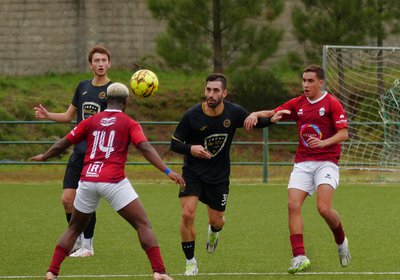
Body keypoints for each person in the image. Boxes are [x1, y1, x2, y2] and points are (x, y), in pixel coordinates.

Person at [31, 83, 184, 280]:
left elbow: (64, 143)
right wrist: (168, 171)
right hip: (113, 181)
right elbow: (145, 148)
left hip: (87, 180)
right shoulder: (129, 123)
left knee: (74, 228)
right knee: (143, 224)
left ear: (106, 101)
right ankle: (160, 272)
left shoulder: (91, 120)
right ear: (126, 102)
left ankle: (52, 271)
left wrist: (44, 156)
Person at [169, 73, 287, 276]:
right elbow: (174, 143)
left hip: (219, 176)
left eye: (216, 91)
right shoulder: (192, 115)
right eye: (208, 90)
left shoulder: (234, 112)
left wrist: (271, 120)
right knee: (187, 213)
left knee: (217, 220)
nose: (211, 94)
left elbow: (255, 123)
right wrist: (191, 149)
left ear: (224, 93)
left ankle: (214, 232)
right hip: (192, 172)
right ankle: (190, 261)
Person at [244, 64, 351, 274]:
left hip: (326, 161)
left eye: (310, 81)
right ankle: (299, 257)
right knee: (293, 205)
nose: (305, 84)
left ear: (321, 82)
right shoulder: (298, 103)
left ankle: (341, 241)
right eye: (303, 80)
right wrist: (256, 114)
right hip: (303, 163)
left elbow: (344, 133)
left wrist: (324, 143)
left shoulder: (331, 103)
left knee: (323, 209)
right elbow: (275, 112)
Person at [33, 45, 112, 257]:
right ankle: (76, 240)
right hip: (78, 151)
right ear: (90, 64)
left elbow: (115, 121)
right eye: (97, 60)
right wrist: (48, 115)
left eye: (104, 60)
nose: (101, 64)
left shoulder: (113, 90)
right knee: (68, 199)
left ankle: (88, 245)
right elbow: (69, 116)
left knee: (87, 199)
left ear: (109, 63)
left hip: (97, 155)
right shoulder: (82, 87)